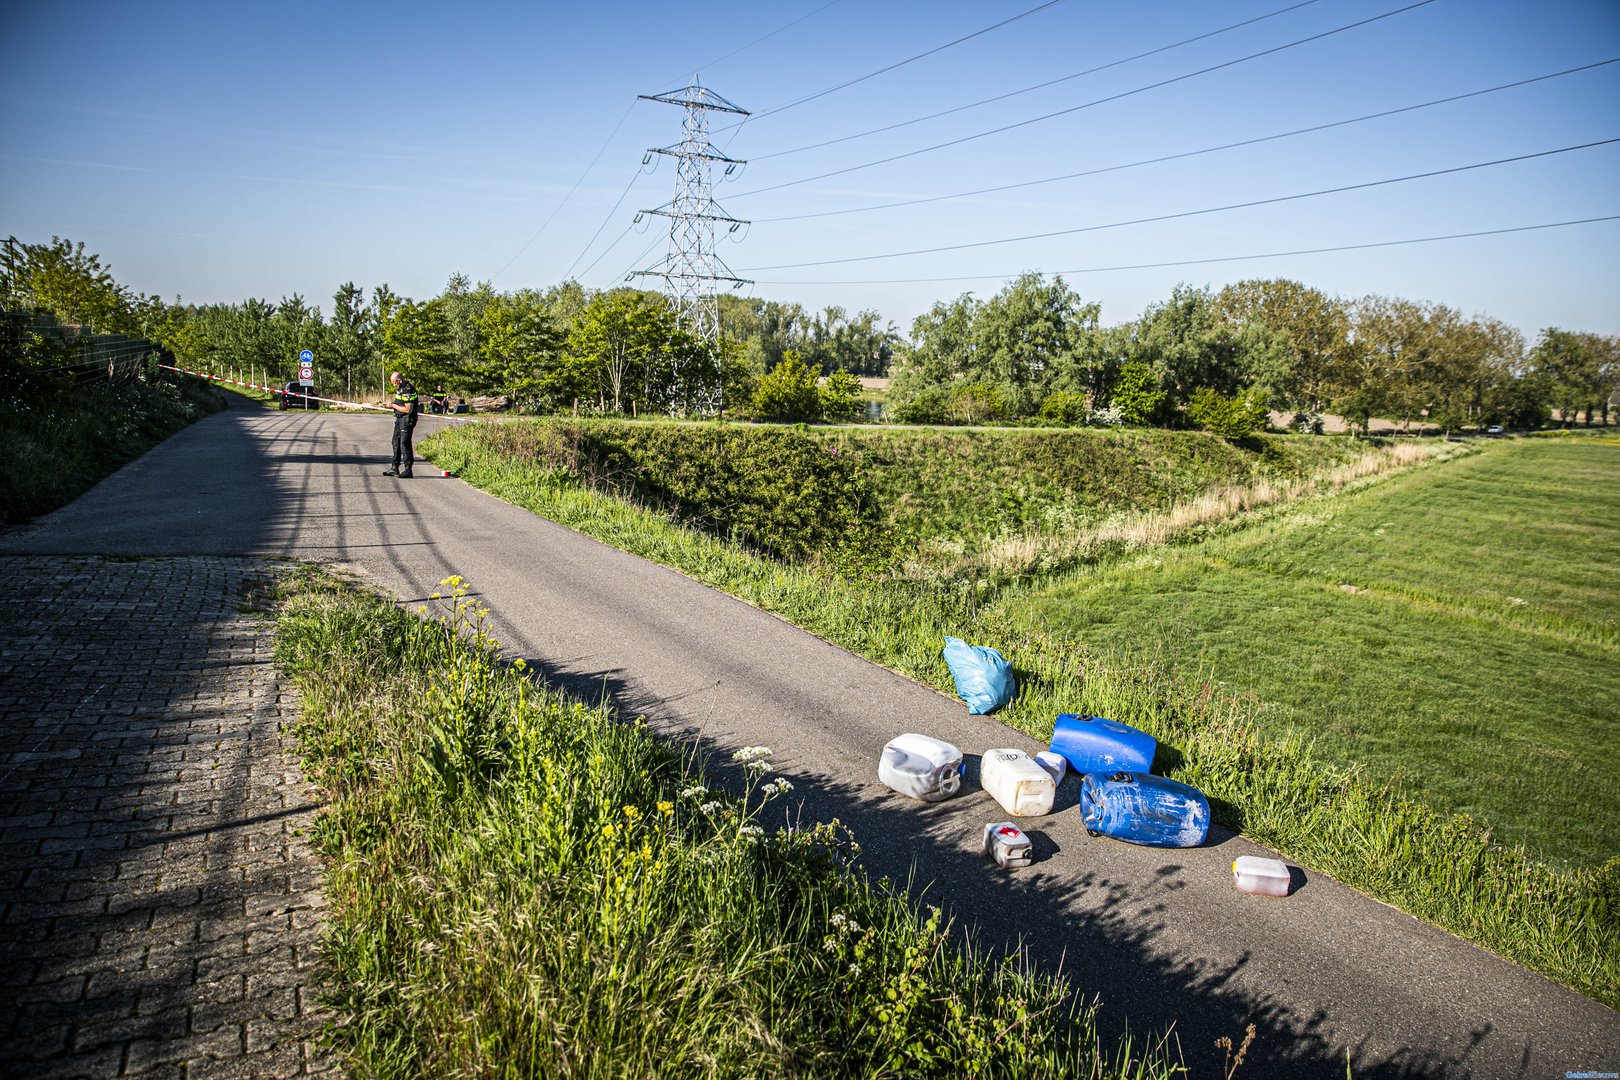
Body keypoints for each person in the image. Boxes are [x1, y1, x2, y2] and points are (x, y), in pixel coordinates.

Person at [382, 371, 420, 477]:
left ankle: (408, 469)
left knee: (405, 443)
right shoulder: (401, 389)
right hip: (399, 419)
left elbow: (408, 409)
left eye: (394, 383)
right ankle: (395, 467)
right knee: (395, 442)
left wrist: (393, 406)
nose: (394, 385)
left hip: (407, 419)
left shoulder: (408, 390)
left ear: (399, 380)